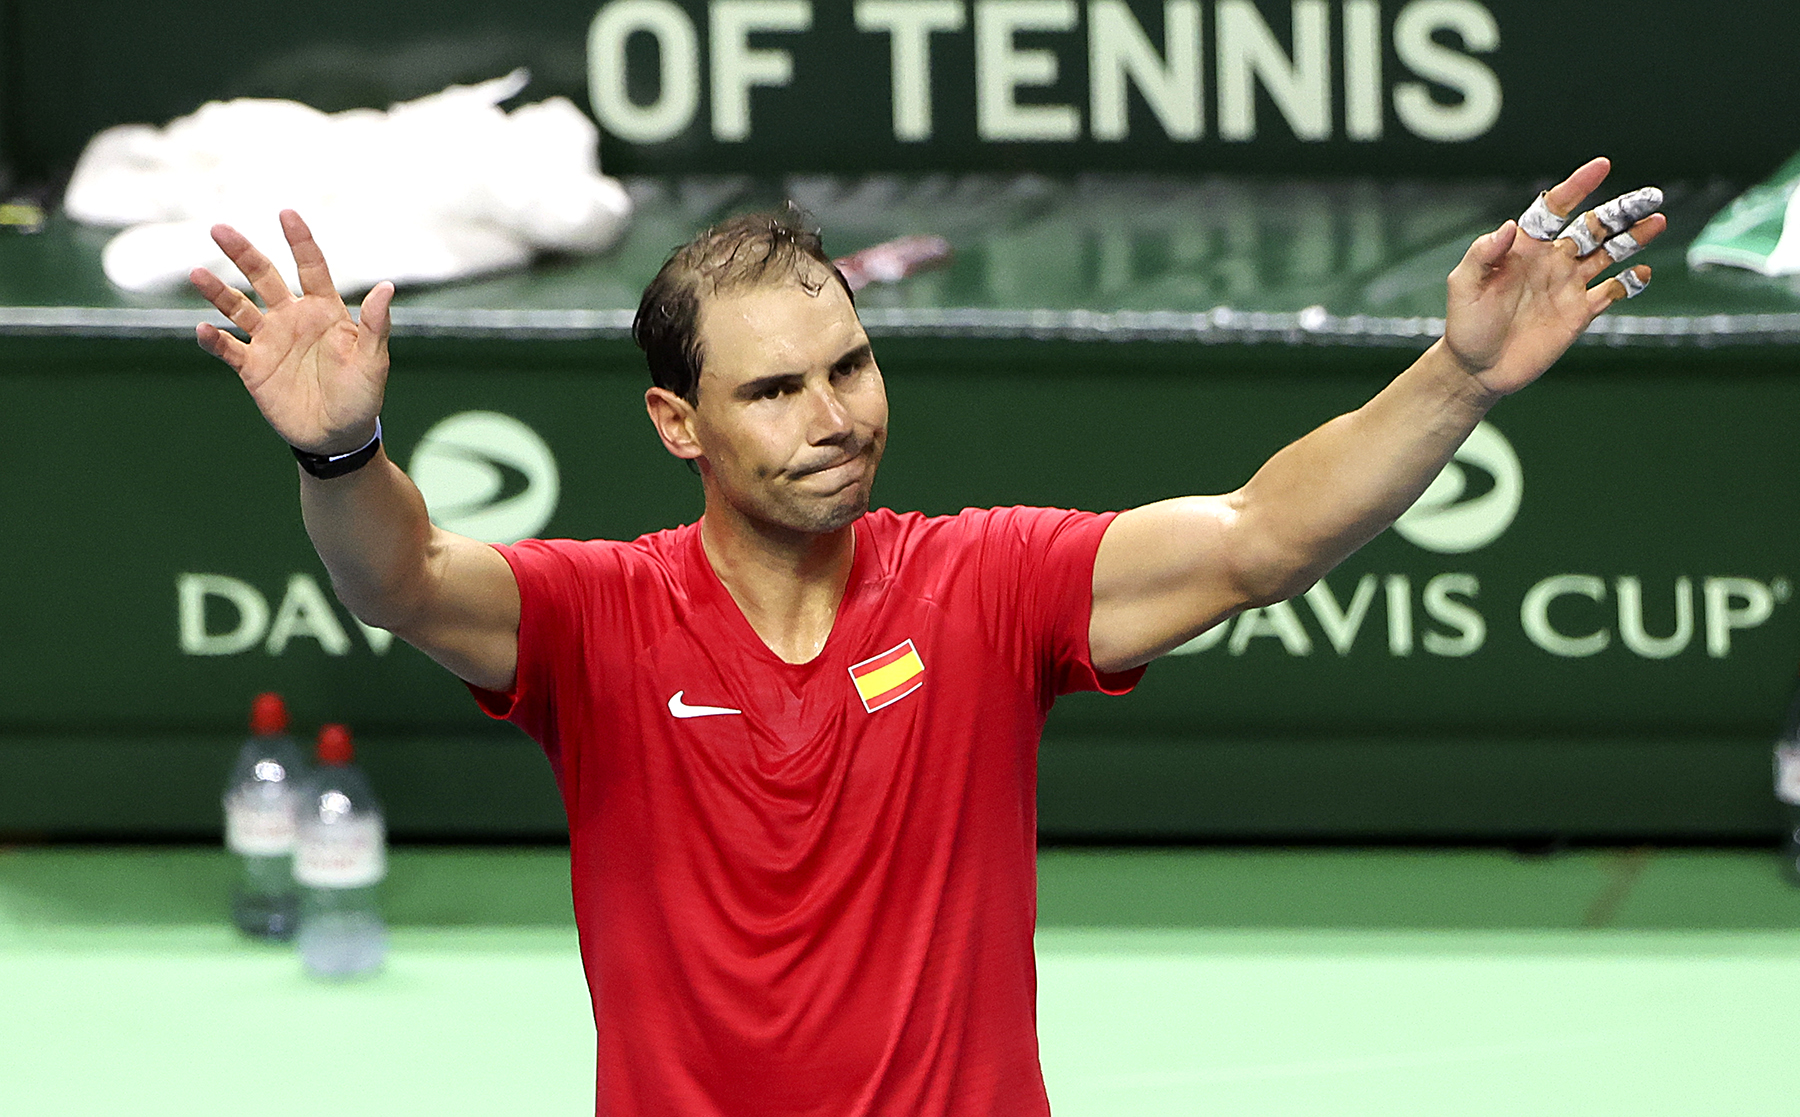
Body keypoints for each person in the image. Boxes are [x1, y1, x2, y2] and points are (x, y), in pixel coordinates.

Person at [191, 157, 1664, 1116]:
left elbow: (1262, 537)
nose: (836, 416)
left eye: (851, 364)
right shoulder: (596, 616)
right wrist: (343, 452)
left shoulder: (985, 583)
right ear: (675, 422)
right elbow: (403, 577)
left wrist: (1457, 379)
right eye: (775, 391)